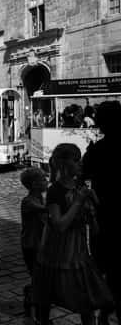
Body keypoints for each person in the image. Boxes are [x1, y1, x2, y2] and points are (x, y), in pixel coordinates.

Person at [33, 143, 113, 325]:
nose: (81, 164)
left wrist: (92, 213)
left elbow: (94, 229)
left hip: (78, 253)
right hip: (56, 253)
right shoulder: (55, 191)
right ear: (64, 164)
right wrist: (78, 202)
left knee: (86, 303)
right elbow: (59, 225)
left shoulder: (80, 186)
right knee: (47, 295)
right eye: (76, 160)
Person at [83, 101, 121, 324]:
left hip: (104, 215)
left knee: (104, 265)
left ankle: (105, 311)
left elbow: (84, 172)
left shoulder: (98, 150)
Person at [20, 167, 48, 317]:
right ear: (34, 184)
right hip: (31, 246)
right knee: (38, 276)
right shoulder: (28, 201)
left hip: (39, 244)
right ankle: (34, 300)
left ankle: (32, 295)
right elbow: (45, 210)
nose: (47, 181)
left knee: (39, 276)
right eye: (43, 179)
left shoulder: (40, 198)